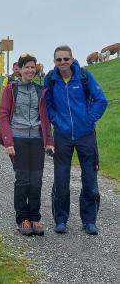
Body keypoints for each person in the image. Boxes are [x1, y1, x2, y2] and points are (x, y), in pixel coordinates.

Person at [44, 45, 108, 235]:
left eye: (66, 59)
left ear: (72, 59)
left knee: (89, 179)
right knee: (61, 179)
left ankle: (89, 221)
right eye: (59, 59)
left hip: (86, 135)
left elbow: (101, 100)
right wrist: (56, 120)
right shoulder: (51, 79)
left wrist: (89, 120)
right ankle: (61, 219)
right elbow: (47, 104)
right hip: (62, 136)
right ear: (54, 61)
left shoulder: (84, 76)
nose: (63, 62)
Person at [0, 54, 54, 236]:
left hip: (37, 140)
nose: (30, 70)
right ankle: (22, 218)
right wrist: (8, 141)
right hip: (18, 138)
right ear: (19, 69)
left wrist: (49, 141)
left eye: (33, 67)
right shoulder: (10, 89)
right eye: (26, 67)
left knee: (36, 180)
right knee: (23, 179)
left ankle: (35, 217)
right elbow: (4, 115)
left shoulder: (40, 90)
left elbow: (44, 119)